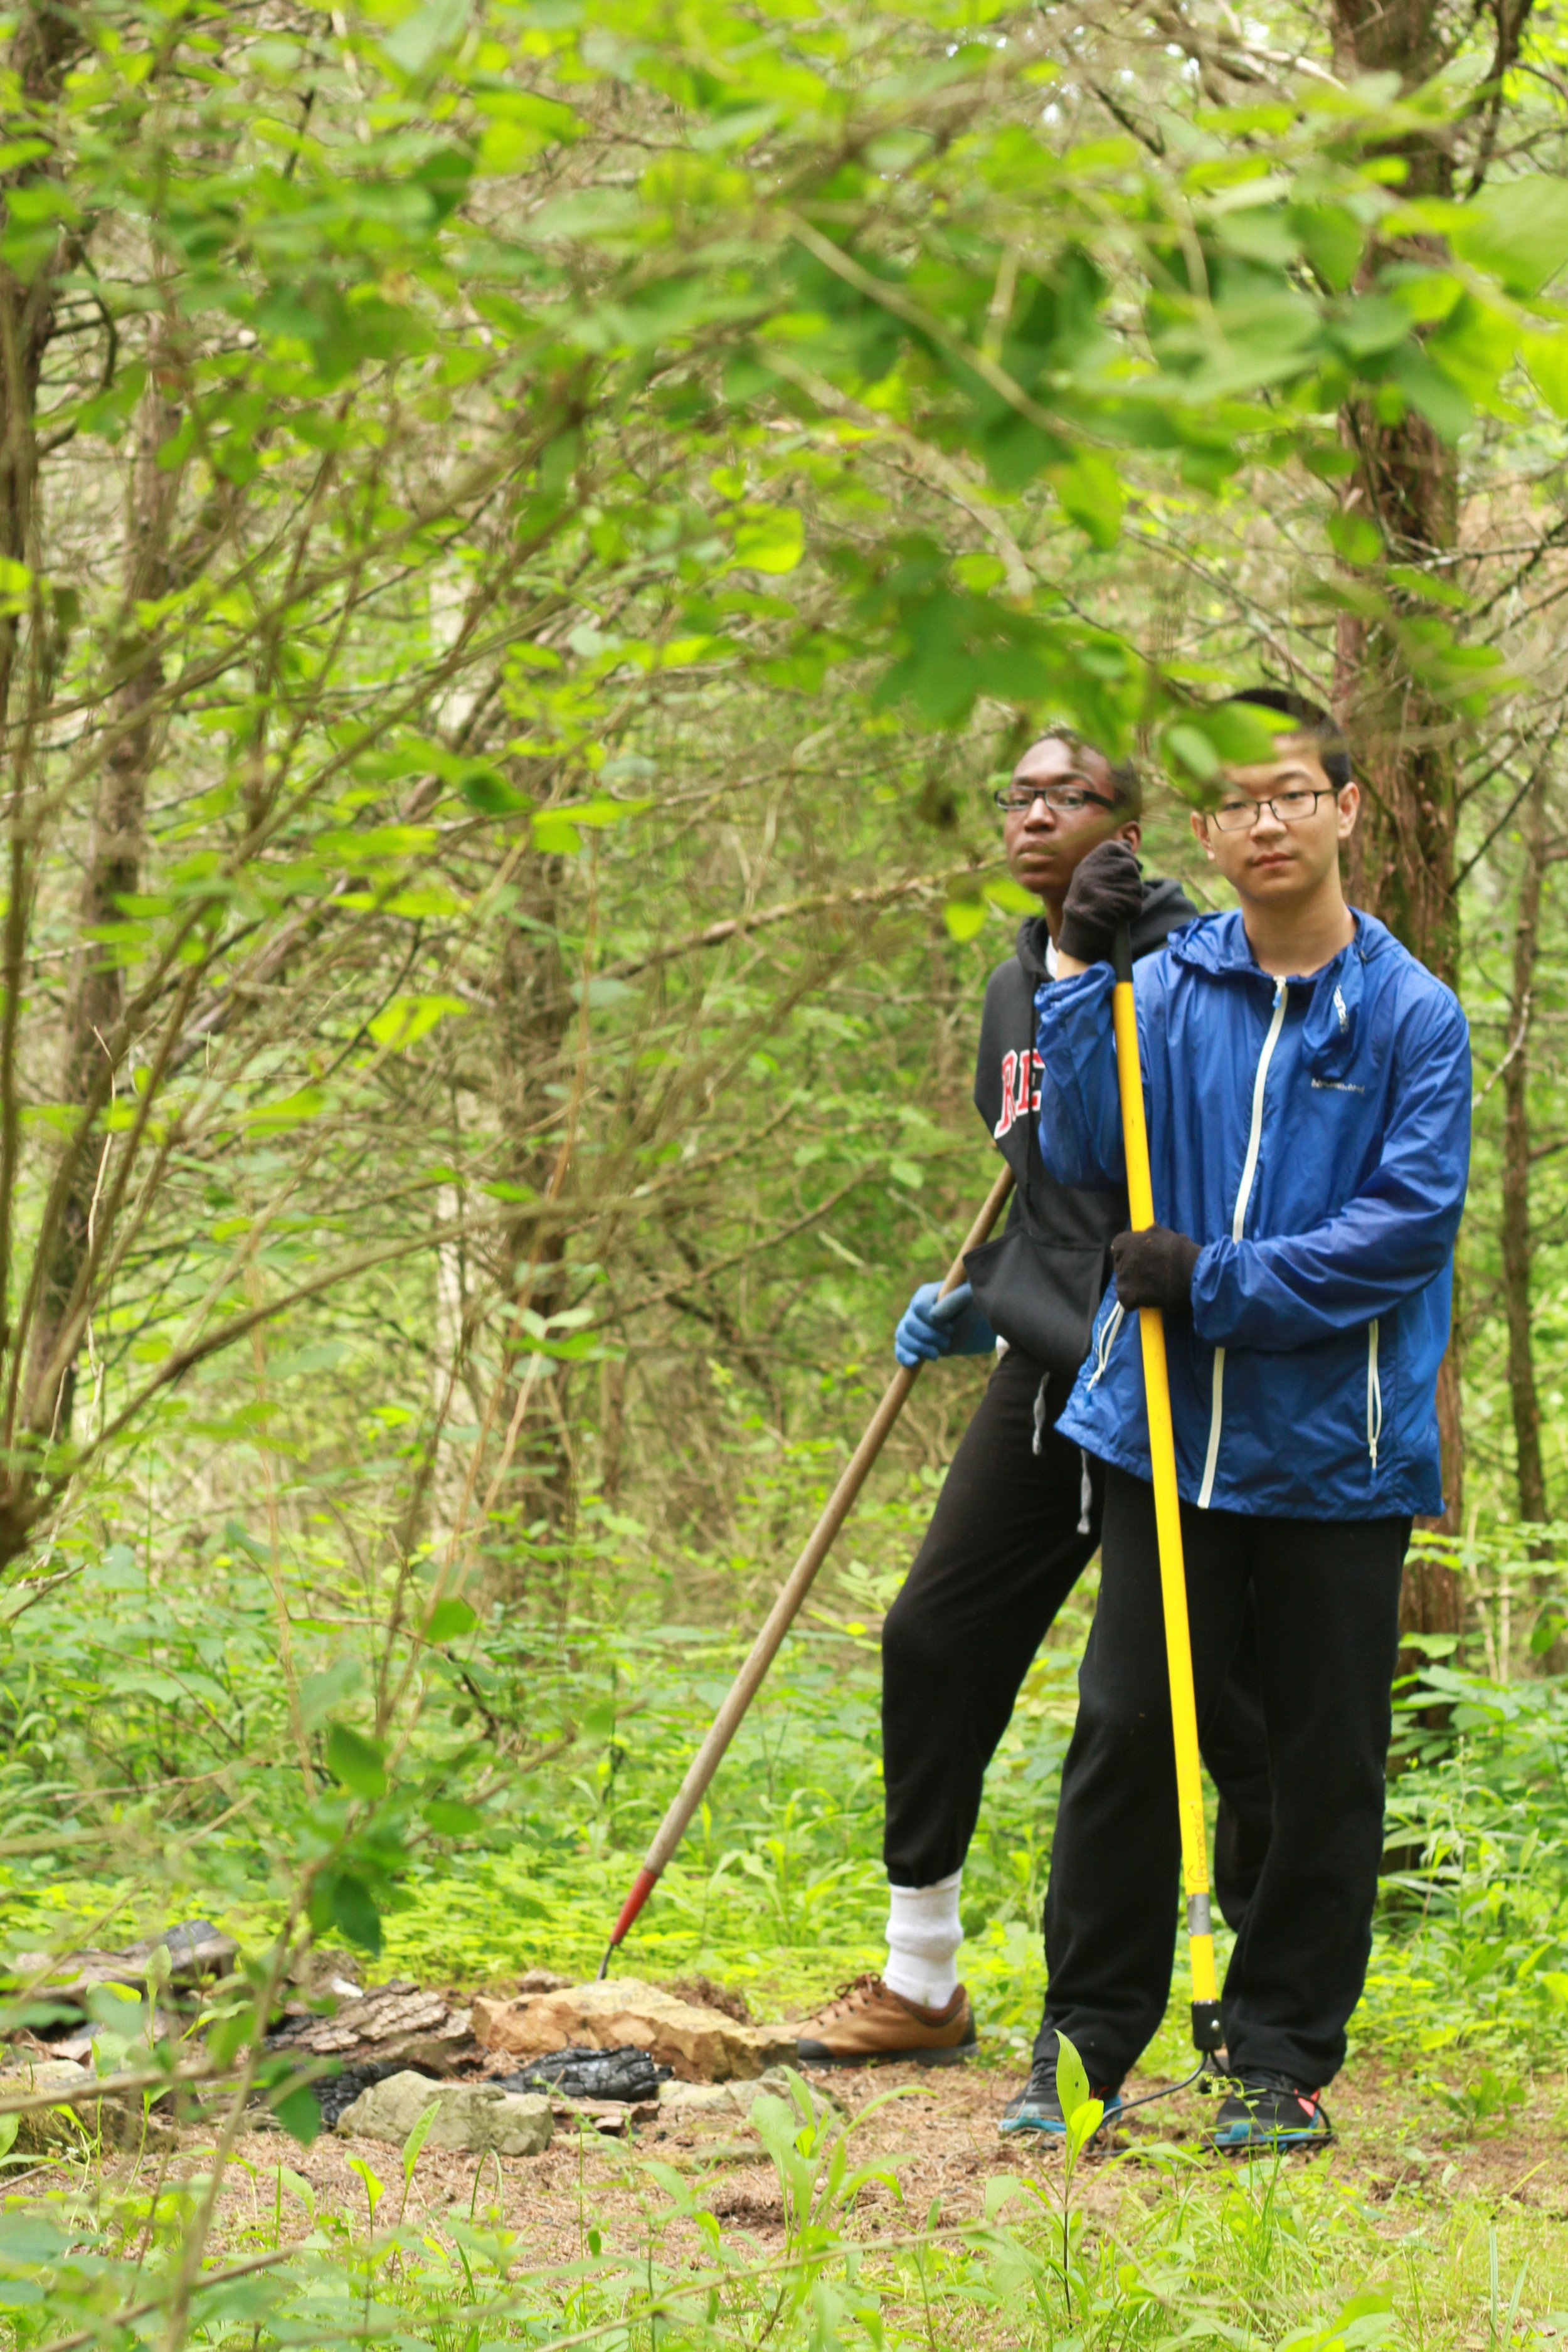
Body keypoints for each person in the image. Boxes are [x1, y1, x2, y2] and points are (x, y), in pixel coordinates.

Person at [1019, 686, 1471, 2151]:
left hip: (1333, 1459)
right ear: (1202, 832)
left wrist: (1210, 1278)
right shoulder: (1166, 982)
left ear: (1343, 808)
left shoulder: (1410, 1015)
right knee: (1123, 1744)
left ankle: (1275, 2057)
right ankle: (1081, 2046)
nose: (1261, 821)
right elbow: (1077, 1142)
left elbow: (1400, 1231)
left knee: (1319, 1763)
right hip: (1160, 1438)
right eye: (1231, 802)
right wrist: (1077, 963)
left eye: (1288, 792)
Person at [793, 729, 1273, 2079]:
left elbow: (1173, 1161)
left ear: (1129, 822)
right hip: (1047, 1355)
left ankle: (1263, 1976)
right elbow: (1036, 1164)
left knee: (1202, 1698)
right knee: (932, 1634)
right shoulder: (1017, 975)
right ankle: (920, 1975)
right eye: (1017, 794)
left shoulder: (1196, 963)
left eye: (1068, 795)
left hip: (1175, 1363)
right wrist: (980, 1291)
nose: (1033, 815)